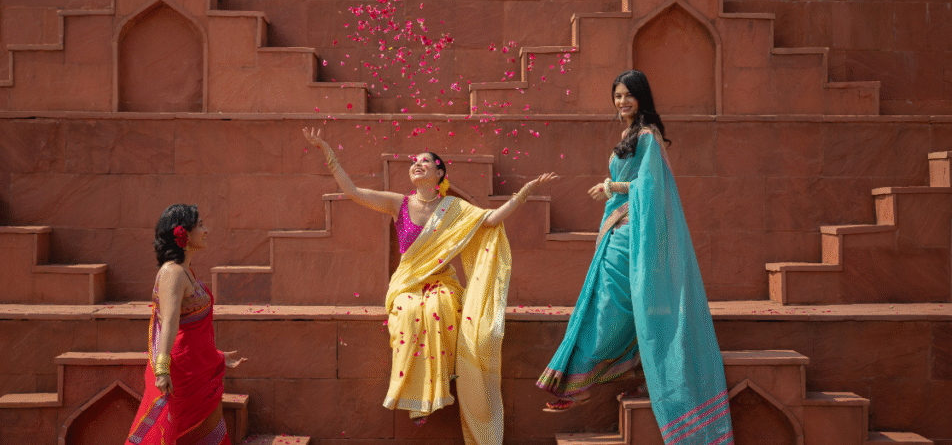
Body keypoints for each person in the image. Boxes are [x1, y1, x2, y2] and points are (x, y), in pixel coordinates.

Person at [303, 128, 556, 445]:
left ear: (440, 173)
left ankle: (443, 383)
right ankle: (416, 399)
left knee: (442, 307)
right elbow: (353, 192)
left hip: (441, 283)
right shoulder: (399, 203)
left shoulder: (453, 208)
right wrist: (328, 152)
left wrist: (524, 193)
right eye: (415, 161)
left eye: (426, 161)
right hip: (407, 285)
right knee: (409, 314)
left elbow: (490, 221)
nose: (418, 163)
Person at [536, 70, 734, 445]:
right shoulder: (630, 135)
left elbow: (652, 185)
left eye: (628, 95)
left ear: (642, 97)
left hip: (632, 231)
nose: (622, 102)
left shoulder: (647, 135)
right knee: (612, 303)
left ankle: (582, 381)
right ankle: (605, 379)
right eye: (617, 96)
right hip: (620, 227)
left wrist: (612, 186)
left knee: (613, 304)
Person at [124, 204, 246, 445]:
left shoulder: (185, 271)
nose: (206, 230)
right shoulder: (173, 273)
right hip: (180, 376)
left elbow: (191, 331)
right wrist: (162, 370)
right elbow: (169, 323)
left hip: (196, 371)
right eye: (200, 225)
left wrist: (217, 356)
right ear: (183, 234)